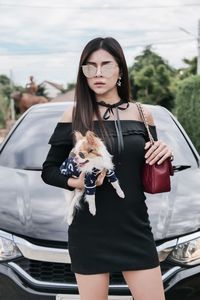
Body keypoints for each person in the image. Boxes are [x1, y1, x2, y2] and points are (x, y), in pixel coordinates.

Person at [41, 37, 173, 300]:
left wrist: (166, 152)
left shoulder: (142, 114)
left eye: (106, 65)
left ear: (120, 70)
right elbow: (49, 170)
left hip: (134, 227)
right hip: (89, 230)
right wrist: (76, 183)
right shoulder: (73, 114)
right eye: (90, 67)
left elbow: (151, 163)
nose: (98, 73)